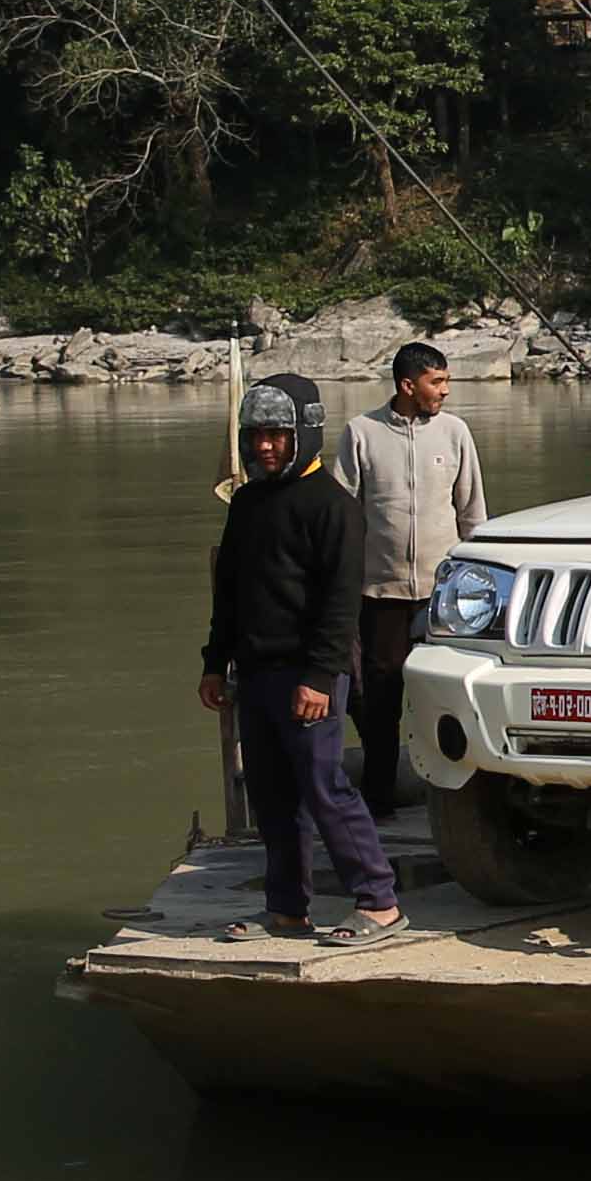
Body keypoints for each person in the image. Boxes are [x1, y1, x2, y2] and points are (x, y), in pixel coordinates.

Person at [203, 374, 405, 948]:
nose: (264, 446)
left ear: (305, 434)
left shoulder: (333, 507)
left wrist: (320, 677)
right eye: (256, 435)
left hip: (310, 674)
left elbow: (342, 604)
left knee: (324, 785)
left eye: (277, 434)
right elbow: (231, 593)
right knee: (271, 793)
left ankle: (380, 902)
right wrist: (215, 663)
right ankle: (287, 908)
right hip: (256, 672)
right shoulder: (247, 502)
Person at [341, 341, 488, 812]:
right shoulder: (360, 433)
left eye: (446, 381)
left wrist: (478, 586)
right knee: (379, 699)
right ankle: (379, 799)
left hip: (443, 598)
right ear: (408, 386)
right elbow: (344, 516)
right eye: (437, 382)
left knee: (448, 695)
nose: (445, 391)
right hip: (380, 594)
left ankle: (460, 804)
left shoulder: (455, 433)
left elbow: (473, 514)